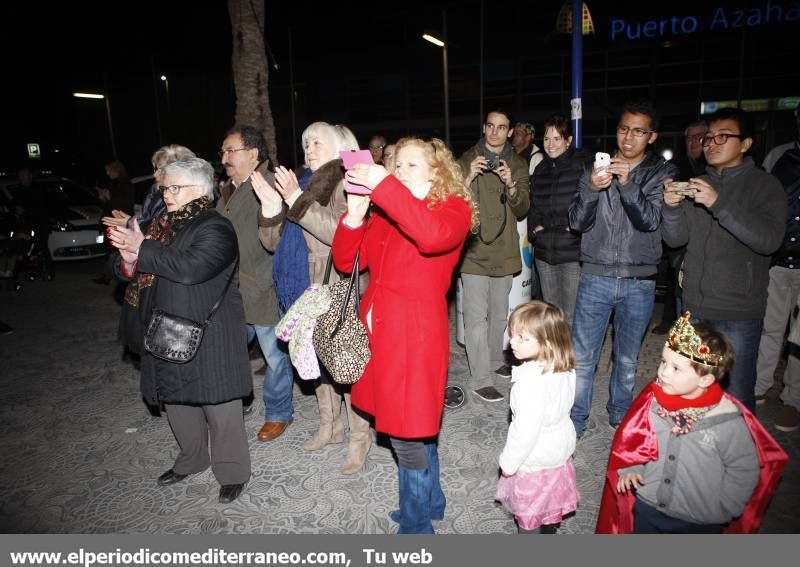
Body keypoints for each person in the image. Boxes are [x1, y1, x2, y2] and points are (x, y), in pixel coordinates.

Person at [332, 136, 475, 534]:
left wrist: (384, 187)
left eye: (411, 165)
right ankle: (432, 501)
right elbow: (346, 262)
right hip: (380, 333)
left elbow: (429, 236)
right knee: (413, 425)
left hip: (415, 335)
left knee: (408, 432)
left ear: (437, 171)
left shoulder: (452, 209)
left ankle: (416, 527)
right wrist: (356, 214)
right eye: (397, 165)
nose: (399, 172)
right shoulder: (388, 210)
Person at [108, 157, 251, 504]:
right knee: (176, 401)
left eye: (175, 187)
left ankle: (232, 471)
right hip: (163, 326)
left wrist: (141, 248)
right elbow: (133, 264)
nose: (167, 194)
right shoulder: (160, 223)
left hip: (209, 331)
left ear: (200, 190)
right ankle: (192, 458)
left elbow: (190, 269)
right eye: (165, 187)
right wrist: (128, 258)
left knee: (220, 406)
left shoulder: (214, 227)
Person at [597, 313, 788, 533]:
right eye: (663, 362)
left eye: (676, 368)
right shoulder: (652, 403)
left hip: (700, 519)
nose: (663, 372)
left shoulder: (726, 422)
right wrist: (631, 468)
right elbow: (636, 443)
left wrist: (726, 508)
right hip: (649, 506)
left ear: (705, 379)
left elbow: (744, 467)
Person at [254, 121, 372, 475]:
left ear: (339, 146)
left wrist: (294, 200)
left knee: (343, 363)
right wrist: (274, 205)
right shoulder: (303, 182)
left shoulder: (347, 179)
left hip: (333, 286)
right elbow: (273, 243)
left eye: (318, 141)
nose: (309, 147)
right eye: (306, 142)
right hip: (301, 288)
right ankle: (330, 426)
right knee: (314, 362)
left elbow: (342, 234)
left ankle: (358, 439)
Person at [662, 107, 786, 411]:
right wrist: (672, 208)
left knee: (736, 396)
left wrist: (719, 203)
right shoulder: (698, 181)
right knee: (689, 391)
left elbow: (769, 241)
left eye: (723, 136)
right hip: (694, 306)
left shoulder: (765, 185)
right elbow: (676, 239)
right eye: (708, 138)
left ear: (745, 144)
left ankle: (740, 458)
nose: (711, 144)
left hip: (738, 312)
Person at [568, 100, 678, 438]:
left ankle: (620, 416)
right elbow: (575, 221)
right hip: (595, 275)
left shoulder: (661, 172)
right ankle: (575, 421)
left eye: (638, 131)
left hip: (639, 280)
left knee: (627, 360)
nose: (628, 137)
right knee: (583, 359)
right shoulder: (594, 167)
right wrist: (590, 188)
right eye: (623, 128)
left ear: (652, 136)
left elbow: (650, 221)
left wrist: (628, 184)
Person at [217, 124, 293, 438]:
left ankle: (278, 412)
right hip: (231, 289)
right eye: (222, 152)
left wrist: (263, 278)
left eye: (230, 151)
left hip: (262, 287)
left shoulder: (271, 183)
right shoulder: (228, 188)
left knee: (274, 357)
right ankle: (240, 401)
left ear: (253, 153)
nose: (224, 158)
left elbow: (280, 239)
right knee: (230, 352)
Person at [459, 109, 531, 400]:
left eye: (502, 127)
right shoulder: (466, 158)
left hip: (503, 250)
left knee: (500, 315)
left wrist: (511, 183)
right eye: (491, 126)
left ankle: (491, 361)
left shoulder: (518, 163)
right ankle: (480, 378)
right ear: (484, 127)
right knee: (476, 318)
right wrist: (467, 177)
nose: (495, 132)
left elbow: (523, 207)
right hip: (474, 250)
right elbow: (450, 201)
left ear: (510, 131)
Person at [495, 301, 578, 534]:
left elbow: (524, 432)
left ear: (548, 342)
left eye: (523, 338)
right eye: (513, 335)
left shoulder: (530, 383)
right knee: (550, 503)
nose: (513, 342)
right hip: (559, 447)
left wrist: (508, 465)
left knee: (529, 515)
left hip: (535, 455)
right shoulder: (564, 365)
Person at [755, 101, 800, 432]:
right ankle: (758, 387)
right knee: (771, 328)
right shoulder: (780, 157)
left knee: (798, 340)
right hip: (778, 258)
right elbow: (763, 205)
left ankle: (793, 400)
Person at [528, 115, 591, 325]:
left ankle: (569, 357)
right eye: (547, 138)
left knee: (571, 314)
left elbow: (590, 202)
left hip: (572, 250)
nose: (550, 144)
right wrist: (534, 230)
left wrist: (575, 228)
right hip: (545, 250)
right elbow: (534, 205)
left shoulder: (582, 164)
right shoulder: (540, 169)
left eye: (557, 138)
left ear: (569, 140)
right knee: (551, 314)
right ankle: (554, 356)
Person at [652, 120, 710, 335]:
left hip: (706, 239)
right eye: (689, 138)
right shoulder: (676, 167)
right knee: (674, 280)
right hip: (678, 233)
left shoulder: (713, 168)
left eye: (699, 137)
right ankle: (671, 321)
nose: (694, 142)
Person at [94, 160, 135, 285]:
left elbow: (125, 205)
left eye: (109, 170)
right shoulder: (111, 183)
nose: (107, 173)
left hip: (119, 223)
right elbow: (109, 205)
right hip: (109, 221)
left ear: (116, 169)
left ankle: (122, 274)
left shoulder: (126, 184)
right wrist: (103, 198)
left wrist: (109, 197)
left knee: (119, 250)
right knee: (109, 250)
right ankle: (108, 275)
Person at [138, 145, 196, 232]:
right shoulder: (155, 190)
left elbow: (157, 230)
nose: (155, 174)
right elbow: (147, 218)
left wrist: (131, 222)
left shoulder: (177, 199)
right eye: (155, 169)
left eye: (161, 169)